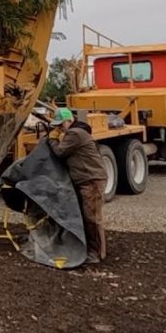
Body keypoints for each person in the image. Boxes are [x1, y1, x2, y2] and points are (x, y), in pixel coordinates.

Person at [48, 107, 108, 263]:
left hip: (91, 180)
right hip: (87, 178)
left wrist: (52, 139)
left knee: (92, 218)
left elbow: (60, 152)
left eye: (61, 124)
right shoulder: (80, 133)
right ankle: (92, 249)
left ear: (69, 121)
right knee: (89, 216)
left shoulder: (75, 134)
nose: (60, 128)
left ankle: (95, 253)